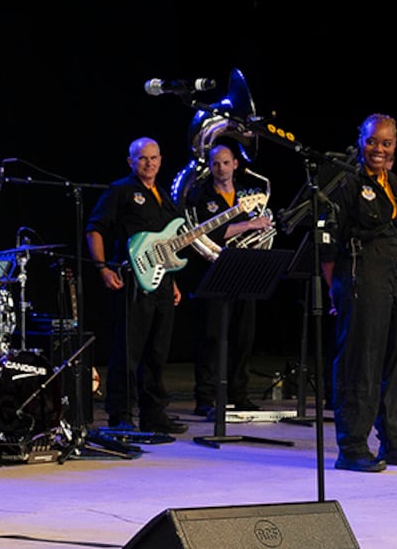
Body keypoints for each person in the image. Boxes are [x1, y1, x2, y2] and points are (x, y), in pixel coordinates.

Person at [322, 115, 397, 471]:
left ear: (395, 145)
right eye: (372, 141)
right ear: (361, 141)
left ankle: (393, 441)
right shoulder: (346, 182)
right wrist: (336, 291)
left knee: (391, 359)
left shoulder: (394, 182)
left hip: (395, 274)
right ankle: (352, 446)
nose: (378, 149)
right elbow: (328, 247)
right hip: (360, 272)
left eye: (386, 143)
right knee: (360, 361)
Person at [86, 138, 187, 434]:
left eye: (154, 158)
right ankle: (120, 415)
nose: (150, 163)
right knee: (128, 351)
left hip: (163, 282)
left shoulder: (164, 195)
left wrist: (174, 279)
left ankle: (154, 414)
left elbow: (166, 243)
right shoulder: (120, 190)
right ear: (131, 161)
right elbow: (95, 229)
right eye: (143, 158)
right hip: (131, 279)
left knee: (157, 351)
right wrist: (102, 268)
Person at [182, 143, 274, 415]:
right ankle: (205, 398)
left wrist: (261, 226)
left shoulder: (248, 195)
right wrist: (248, 225)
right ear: (209, 166)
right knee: (211, 336)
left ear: (235, 164)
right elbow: (207, 234)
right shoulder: (201, 196)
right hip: (212, 272)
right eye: (215, 163)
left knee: (243, 336)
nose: (220, 168)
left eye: (225, 162)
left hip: (245, 271)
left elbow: (264, 224)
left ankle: (239, 394)